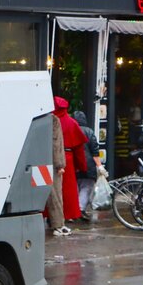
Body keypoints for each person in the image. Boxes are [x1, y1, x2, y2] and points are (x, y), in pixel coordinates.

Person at [54, 97, 87, 225]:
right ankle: (68, 215)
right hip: (67, 158)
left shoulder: (49, 121)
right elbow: (79, 149)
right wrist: (82, 166)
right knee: (68, 190)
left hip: (50, 157)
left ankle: (50, 215)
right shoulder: (72, 123)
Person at [45, 102, 67, 236]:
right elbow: (56, 144)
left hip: (38, 159)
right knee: (55, 194)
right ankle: (58, 224)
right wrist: (60, 164)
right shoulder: (54, 120)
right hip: (52, 162)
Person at [72, 110, 99, 218]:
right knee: (87, 187)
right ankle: (80, 209)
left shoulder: (72, 130)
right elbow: (95, 151)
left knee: (75, 187)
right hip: (88, 165)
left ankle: (74, 210)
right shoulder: (89, 131)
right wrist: (100, 166)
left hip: (73, 164)